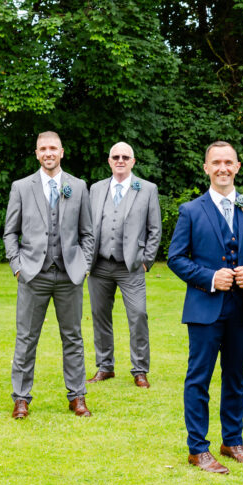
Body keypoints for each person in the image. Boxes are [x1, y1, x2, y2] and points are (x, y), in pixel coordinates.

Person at [167, 141, 243, 474]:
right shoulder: (191, 210)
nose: (223, 168)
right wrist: (211, 278)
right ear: (206, 168)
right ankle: (197, 449)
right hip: (205, 307)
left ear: (238, 167)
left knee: (236, 377)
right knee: (198, 378)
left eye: (228, 162)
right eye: (216, 163)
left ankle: (232, 441)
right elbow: (175, 258)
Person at [4, 131, 94, 419]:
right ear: (36, 153)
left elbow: (88, 233)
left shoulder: (78, 187)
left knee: (73, 338)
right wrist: (17, 266)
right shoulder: (21, 187)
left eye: (53, 148)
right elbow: (10, 232)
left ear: (62, 152)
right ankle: (21, 398)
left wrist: (85, 264)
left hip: (69, 275)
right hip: (32, 275)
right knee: (26, 339)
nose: (48, 153)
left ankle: (77, 396)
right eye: (43, 148)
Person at [86, 142, 162, 388]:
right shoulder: (96, 189)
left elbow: (155, 229)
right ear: (109, 161)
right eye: (115, 156)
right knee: (100, 317)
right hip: (99, 266)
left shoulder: (147, 189)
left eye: (125, 157)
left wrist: (146, 262)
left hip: (131, 266)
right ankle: (105, 366)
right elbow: (86, 227)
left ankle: (140, 369)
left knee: (138, 315)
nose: (120, 160)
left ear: (133, 161)